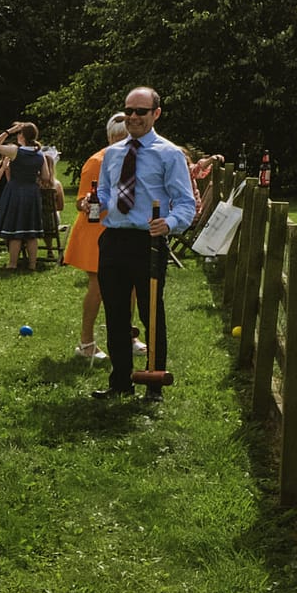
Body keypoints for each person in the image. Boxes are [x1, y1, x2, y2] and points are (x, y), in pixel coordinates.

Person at [94, 87, 198, 403]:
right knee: (114, 313)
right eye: (129, 111)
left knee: (151, 312)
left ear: (156, 113)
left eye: (141, 111)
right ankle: (121, 381)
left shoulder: (169, 154)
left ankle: (154, 384)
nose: (134, 117)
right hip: (113, 240)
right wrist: (94, 205)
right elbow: (104, 193)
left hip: (147, 241)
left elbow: (185, 202)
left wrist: (169, 223)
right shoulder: (112, 154)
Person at [63, 113, 129, 360]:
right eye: (120, 137)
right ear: (111, 137)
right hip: (95, 232)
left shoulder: (135, 158)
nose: (125, 141)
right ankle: (86, 342)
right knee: (99, 286)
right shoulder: (96, 162)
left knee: (130, 286)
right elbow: (81, 201)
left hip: (123, 229)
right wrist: (90, 202)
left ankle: (127, 335)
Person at [0, 120, 55, 272]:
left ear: (22, 135)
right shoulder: (40, 154)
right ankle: (32, 265)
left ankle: (12, 264)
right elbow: (46, 176)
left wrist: (8, 131)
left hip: (16, 191)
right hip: (32, 192)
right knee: (31, 231)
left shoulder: (15, 151)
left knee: (15, 231)